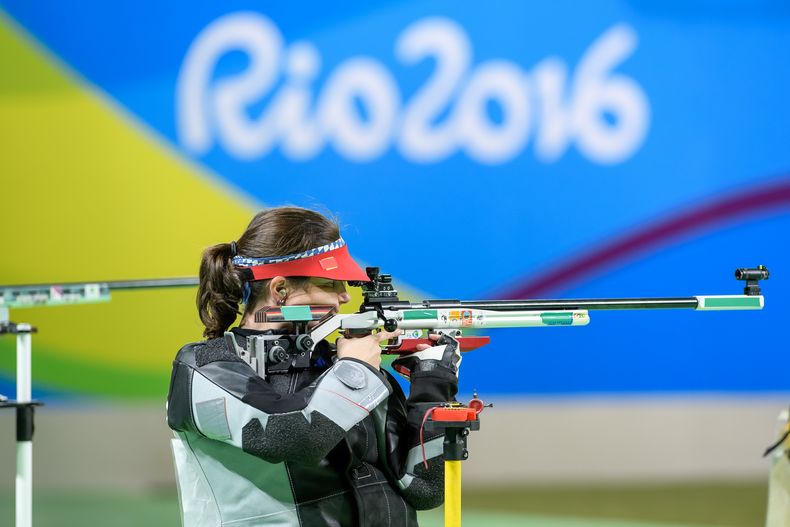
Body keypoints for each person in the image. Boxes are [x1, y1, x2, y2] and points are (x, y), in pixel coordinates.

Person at [166, 207, 461, 527]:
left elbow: (424, 489)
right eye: (329, 284)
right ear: (280, 290)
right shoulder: (203, 369)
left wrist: (432, 381)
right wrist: (356, 368)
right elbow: (292, 435)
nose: (345, 297)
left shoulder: (345, 369)